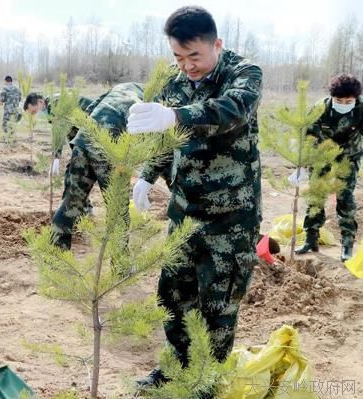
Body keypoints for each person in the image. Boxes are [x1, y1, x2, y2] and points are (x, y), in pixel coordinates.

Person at [128, 6, 263, 390]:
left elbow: (231, 111)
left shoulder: (244, 74)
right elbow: (167, 138)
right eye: (178, 57)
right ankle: (172, 368)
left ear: (216, 44)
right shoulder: (175, 82)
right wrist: (147, 176)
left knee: (217, 308)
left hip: (231, 218)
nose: (187, 66)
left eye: (194, 57)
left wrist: (175, 115)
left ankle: (206, 382)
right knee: (173, 297)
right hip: (184, 211)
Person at [50, 82, 143, 250]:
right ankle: (120, 264)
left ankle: (56, 256)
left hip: (84, 139)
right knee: (118, 211)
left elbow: (93, 107)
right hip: (111, 148)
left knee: (71, 202)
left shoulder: (121, 87)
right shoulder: (155, 98)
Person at [296, 73, 362, 261]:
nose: (343, 103)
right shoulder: (320, 109)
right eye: (338, 100)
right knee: (316, 195)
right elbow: (308, 138)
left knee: (345, 196)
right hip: (322, 153)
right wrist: (302, 165)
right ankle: (311, 238)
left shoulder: (361, 108)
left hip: (349, 155)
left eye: (347, 100)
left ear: (355, 98)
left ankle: (347, 244)